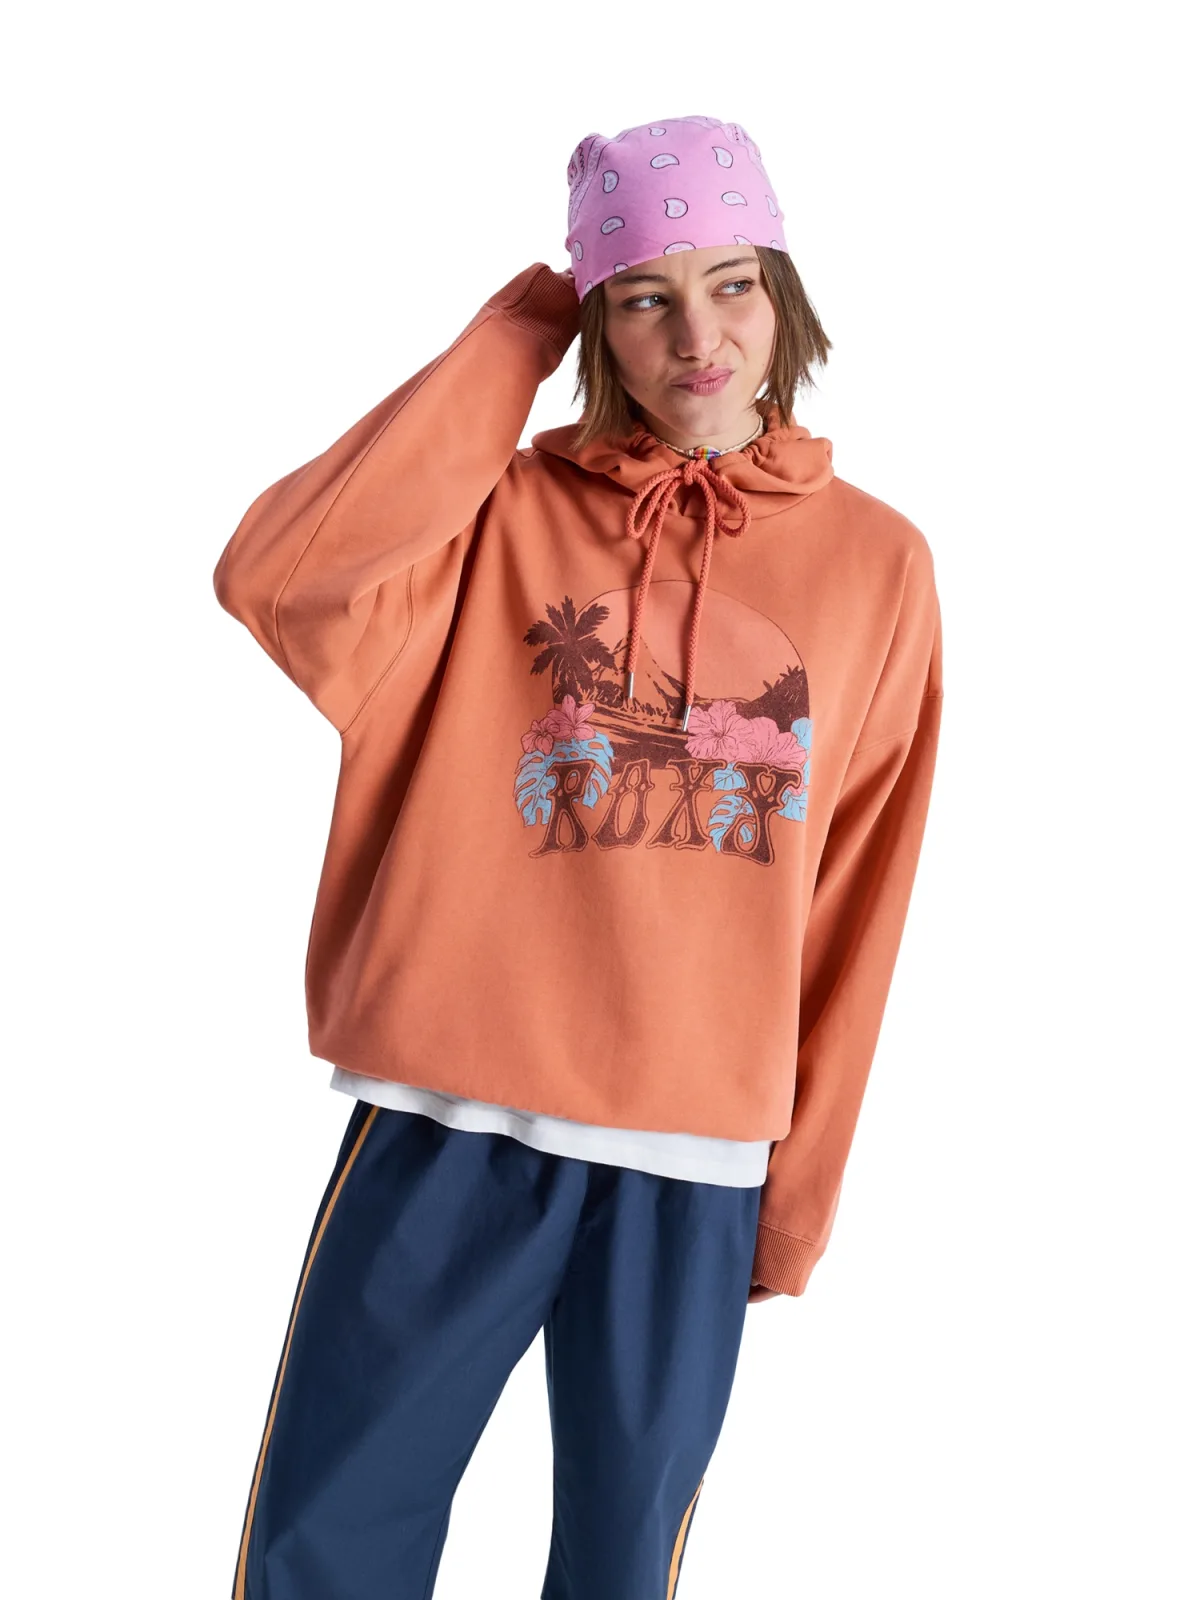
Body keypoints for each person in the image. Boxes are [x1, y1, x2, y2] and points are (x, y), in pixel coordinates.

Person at [213, 114, 943, 1600]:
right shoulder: (492, 516)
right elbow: (278, 575)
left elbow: (862, 892)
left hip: (696, 1149)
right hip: (454, 1113)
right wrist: (518, 331)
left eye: (733, 284)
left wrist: (797, 1193)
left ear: (785, 294)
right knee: (327, 1543)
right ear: (598, 325)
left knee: (621, 1568)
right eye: (644, 296)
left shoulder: (881, 564)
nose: (699, 337)